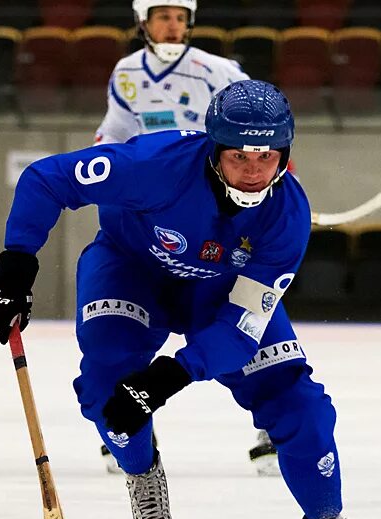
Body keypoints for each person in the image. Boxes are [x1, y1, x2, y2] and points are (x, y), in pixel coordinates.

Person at [0, 80, 381, 519]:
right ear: (212, 149)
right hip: (131, 270)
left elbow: (243, 325)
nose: (252, 171)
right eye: (238, 156)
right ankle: (141, 469)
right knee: (108, 388)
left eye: (266, 157)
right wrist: (17, 261)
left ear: (286, 154)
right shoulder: (154, 165)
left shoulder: (288, 216)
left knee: (296, 400)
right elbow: (47, 179)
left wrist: (171, 376)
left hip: (220, 292)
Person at [93, 0, 281, 477]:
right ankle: (132, 418)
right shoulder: (126, 70)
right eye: (163, 17)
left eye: (180, 17)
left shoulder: (217, 70)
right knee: (137, 314)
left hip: (217, 211)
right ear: (142, 22)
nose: (173, 25)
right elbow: (115, 131)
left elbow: (263, 133)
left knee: (244, 311)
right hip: (153, 213)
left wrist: (270, 192)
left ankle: (274, 425)